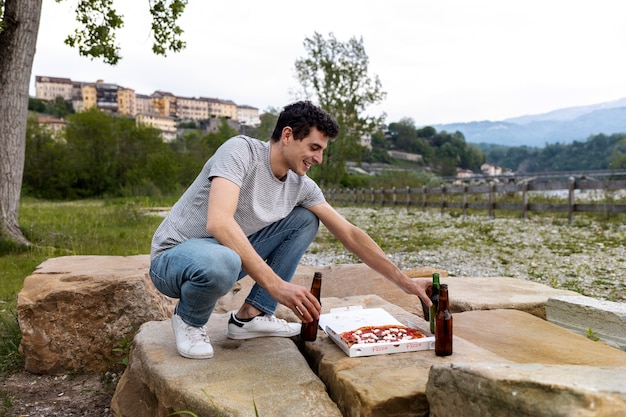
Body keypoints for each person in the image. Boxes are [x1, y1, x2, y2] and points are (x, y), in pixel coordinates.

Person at [149, 100, 432, 359]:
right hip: (173, 259)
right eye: (314, 148)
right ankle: (189, 319)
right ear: (287, 135)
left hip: (225, 258)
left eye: (322, 150)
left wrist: (405, 282)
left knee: (306, 219)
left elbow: (350, 234)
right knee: (225, 259)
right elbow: (219, 222)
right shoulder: (240, 151)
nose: (318, 158)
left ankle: (252, 316)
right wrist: (278, 286)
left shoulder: (301, 186)